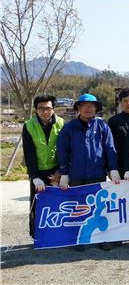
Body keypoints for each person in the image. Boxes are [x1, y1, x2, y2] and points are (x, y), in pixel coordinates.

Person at [56, 93, 120, 251]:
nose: (88, 109)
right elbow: (62, 151)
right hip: (76, 176)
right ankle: (80, 239)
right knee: (79, 208)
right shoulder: (69, 128)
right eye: (84, 106)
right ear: (78, 108)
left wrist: (113, 169)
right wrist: (64, 172)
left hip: (97, 174)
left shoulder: (102, 126)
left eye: (92, 106)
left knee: (99, 208)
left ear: (96, 109)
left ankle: (102, 238)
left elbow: (109, 149)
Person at [22, 95, 64, 239]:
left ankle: (58, 233)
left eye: (48, 108)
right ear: (36, 110)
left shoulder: (61, 123)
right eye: (41, 109)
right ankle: (38, 235)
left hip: (56, 170)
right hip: (38, 171)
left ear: (53, 109)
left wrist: (61, 172)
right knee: (37, 203)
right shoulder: (29, 125)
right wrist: (34, 177)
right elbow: (29, 153)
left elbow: (64, 149)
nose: (45, 112)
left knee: (58, 202)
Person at [108, 88, 129, 182]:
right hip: (121, 169)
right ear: (121, 103)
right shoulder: (114, 121)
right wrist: (112, 169)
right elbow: (110, 146)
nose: (128, 103)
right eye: (125, 101)